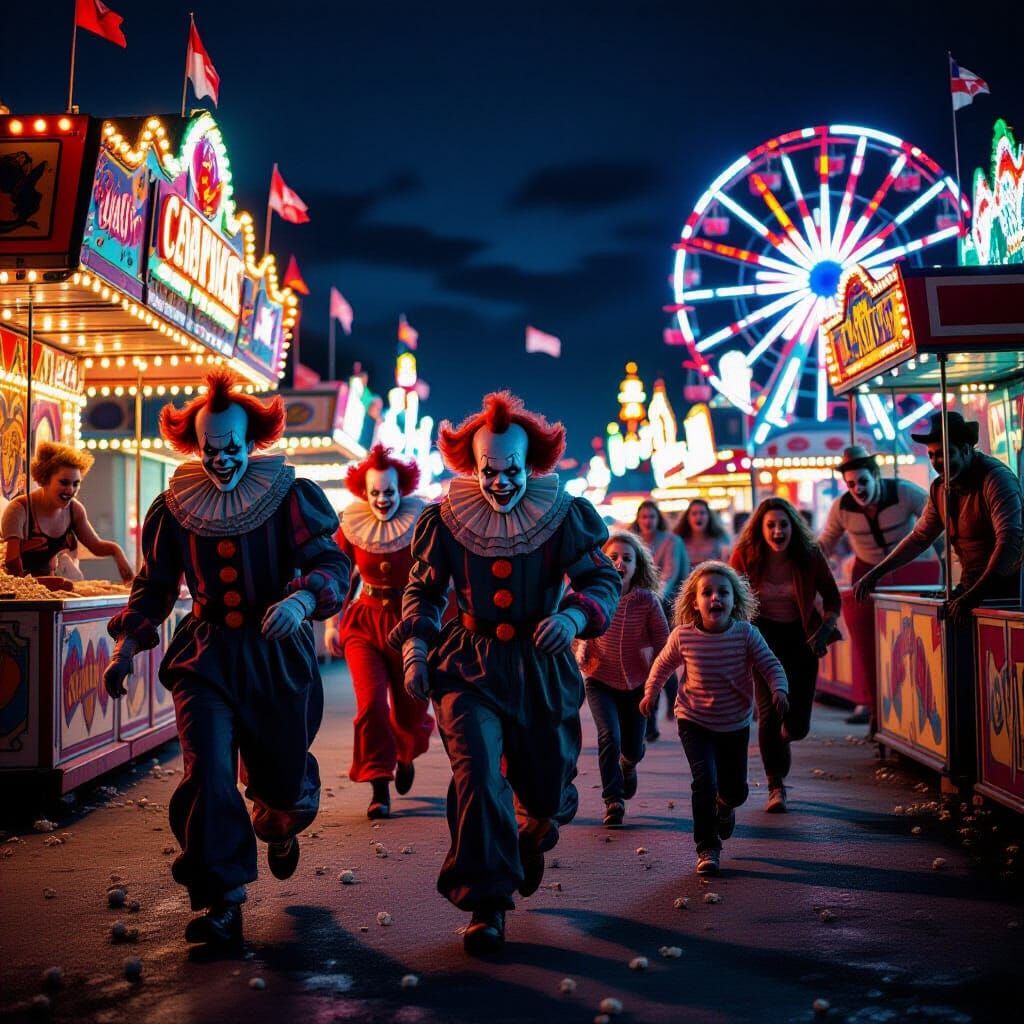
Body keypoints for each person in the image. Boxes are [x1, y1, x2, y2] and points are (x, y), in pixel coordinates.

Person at [102, 371, 350, 949]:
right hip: (206, 656)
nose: (220, 460)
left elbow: (333, 566)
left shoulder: (290, 494)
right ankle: (222, 898)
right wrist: (128, 642)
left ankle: (281, 822)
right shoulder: (174, 506)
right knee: (207, 770)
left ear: (251, 441)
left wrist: (303, 598)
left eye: (231, 448)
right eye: (210, 449)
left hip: (275, 655)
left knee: (280, 789)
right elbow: (155, 585)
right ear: (196, 445)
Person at [390, 391, 620, 955]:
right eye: (488, 470)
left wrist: (572, 615)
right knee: (476, 776)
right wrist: (416, 646)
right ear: (474, 466)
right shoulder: (445, 517)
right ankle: (485, 903)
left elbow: (601, 582)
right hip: (468, 664)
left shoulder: (563, 513)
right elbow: (423, 588)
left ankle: (532, 835)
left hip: (540, 665)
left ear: (530, 464)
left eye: (510, 470)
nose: (498, 483)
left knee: (543, 798)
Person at [639, 561, 788, 875]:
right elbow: (662, 666)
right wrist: (650, 693)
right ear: (695, 601)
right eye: (707, 593)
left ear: (735, 600)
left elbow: (771, 665)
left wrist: (779, 690)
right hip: (693, 719)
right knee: (704, 779)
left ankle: (725, 805)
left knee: (735, 790)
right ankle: (707, 847)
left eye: (723, 592)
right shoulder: (683, 636)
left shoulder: (746, 634)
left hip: (734, 722)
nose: (715, 598)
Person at [325, 444, 434, 819]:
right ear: (364, 492)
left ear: (401, 490)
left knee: (409, 711)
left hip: (409, 623)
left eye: (389, 492)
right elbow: (339, 575)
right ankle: (379, 785)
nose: (382, 499)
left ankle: (405, 755)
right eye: (375, 492)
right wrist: (331, 622)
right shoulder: (351, 524)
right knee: (371, 705)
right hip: (364, 623)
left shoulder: (420, 519)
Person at [855, 412, 1023, 624]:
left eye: (945, 453)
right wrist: (875, 573)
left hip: (1009, 592)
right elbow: (920, 537)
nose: (937, 462)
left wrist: (972, 597)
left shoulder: (996, 479)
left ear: (965, 450)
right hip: (971, 589)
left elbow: (1009, 542)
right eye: (932, 455)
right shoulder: (941, 488)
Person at [730, 498, 841, 814]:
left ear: (793, 527)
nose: (777, 531)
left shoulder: (809, 556)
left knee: (797, 725)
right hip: (762, 639)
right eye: (771, 526)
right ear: (760, 530)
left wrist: (826, 627)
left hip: (803, 639)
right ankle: (775, 785)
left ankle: (787, 736)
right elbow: (731, 597)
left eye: (783, 525)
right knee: (768, 713)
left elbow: (833, 598)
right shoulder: (746, 556)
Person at [818, 445, 939, 725]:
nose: (857, 489)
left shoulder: (903, 491)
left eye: (862, 482)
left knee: (918, 636)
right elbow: (826, 543)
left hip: (913, 568)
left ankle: (918, 708)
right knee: (865, 641)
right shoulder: (842, 507)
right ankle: (874, 707)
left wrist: (944, 553)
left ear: (875, 476)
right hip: (866, 573)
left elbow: (936, 513)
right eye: (851, 484)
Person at [577, 531, 669, 828]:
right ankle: (612, 800)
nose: (619, 562)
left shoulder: (647, 601)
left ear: (637, 565)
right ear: (602, 562)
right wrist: (579, 649)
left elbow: (663, 643)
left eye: (627, 558)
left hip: (636, 684)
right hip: (599, 678)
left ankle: (628, 765)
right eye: (613, 557)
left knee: (633, 746)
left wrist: (658, 682)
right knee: (609, 736)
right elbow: (576, 628)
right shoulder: (593, 597)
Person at [2, 442, 133, 582]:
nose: (71, 490)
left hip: (51, 587)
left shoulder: (75, 510)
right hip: (14, 589)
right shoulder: (19, 509)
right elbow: (12, 562)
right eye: (64, 483)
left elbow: (96, 546)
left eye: (76, 483)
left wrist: (116, 551)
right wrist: (42, 584)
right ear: (45, 479)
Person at [631, 499, 689, 739]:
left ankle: (670, 703)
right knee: (642, 661)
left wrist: (654, 597)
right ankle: (650, 717)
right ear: (638, 519)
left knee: (662, 658)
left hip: (662, 605)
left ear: (658, 519)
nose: (647, 521)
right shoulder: (633, 540)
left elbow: (671, 572)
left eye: (651, 517)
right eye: (643, 517)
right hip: (636, 605)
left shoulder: (670, 541)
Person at [674, 498, 731, 568]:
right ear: (687, 518)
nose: (698, 517)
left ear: (709, 516)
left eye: (702, 513)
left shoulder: (720, 538)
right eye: (694, 514)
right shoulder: (678, 540)